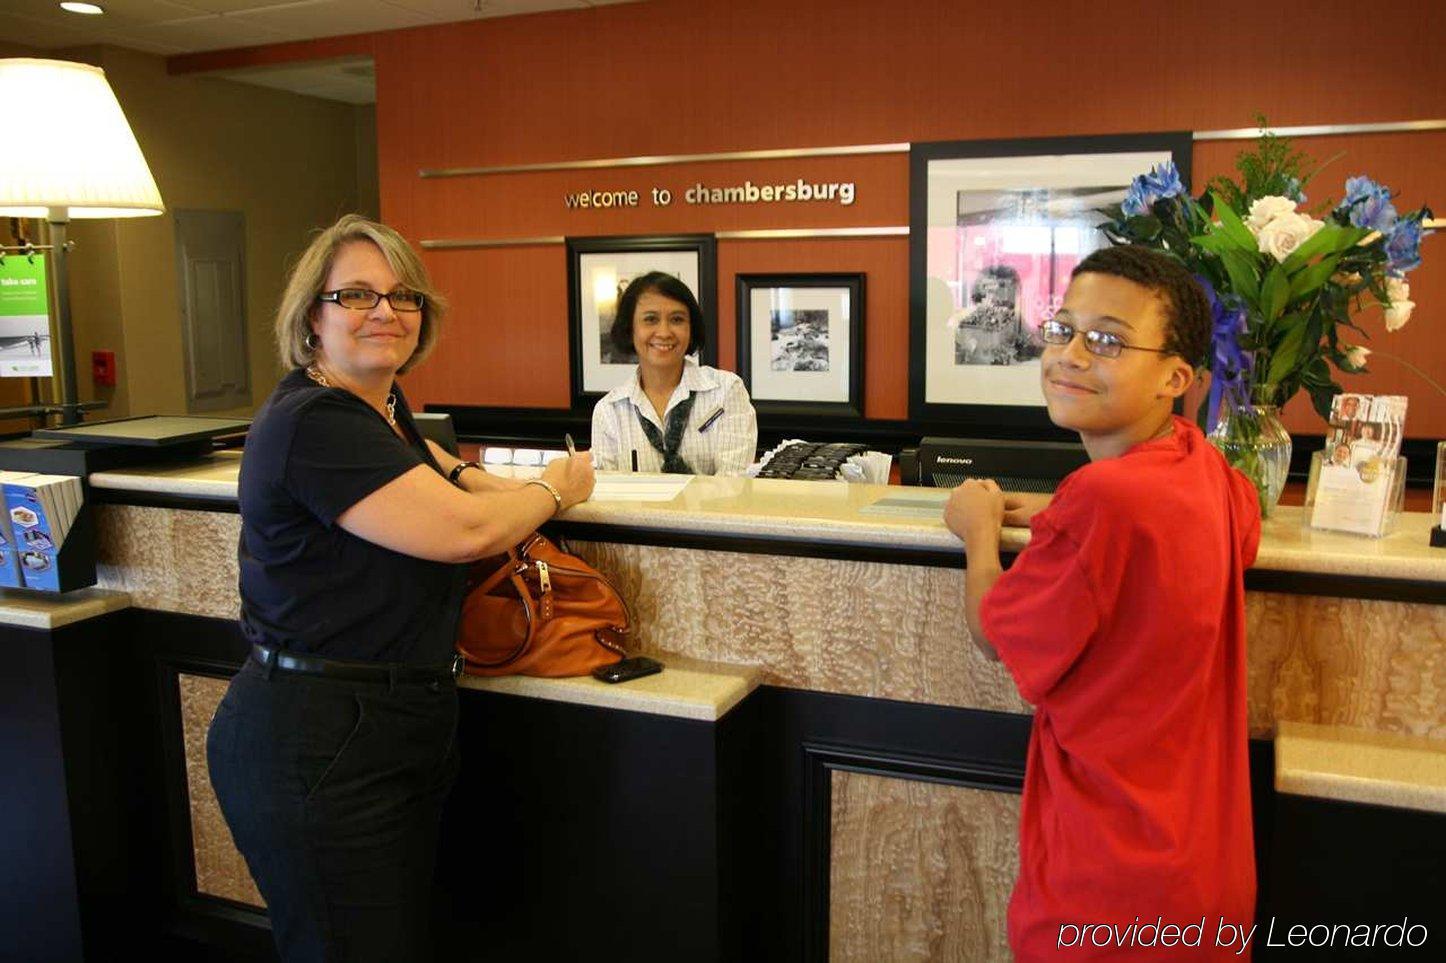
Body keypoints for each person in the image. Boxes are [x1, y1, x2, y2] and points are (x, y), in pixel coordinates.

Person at [206, 214, 594, 962]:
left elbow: (430, 461)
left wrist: (483, 477)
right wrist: (555, 486)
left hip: (384, 723)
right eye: (356, 294)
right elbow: (463, 534)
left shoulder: (374, 402)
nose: (385, 311)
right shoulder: (316, 421)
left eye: (402, 295)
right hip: (318, 739)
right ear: (311, 317)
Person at [943, 245, 1260, 961]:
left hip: (1107, 880)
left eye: (1108, 340)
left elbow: (995, 631)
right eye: (1063, 329)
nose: (1071, 354)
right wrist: (1065, 512)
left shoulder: (1104, 498)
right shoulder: (1203, 467)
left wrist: (977, 530)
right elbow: (1235, 527)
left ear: (1176, 377)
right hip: (1205, 870)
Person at [589, 271, 757, 474]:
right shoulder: (609, 411)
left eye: (677, 320)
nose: (664, 332)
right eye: (650, 319)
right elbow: (608, 493)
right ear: (629, 329)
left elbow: (732, 486)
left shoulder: (727, 391)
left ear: (691, 328)